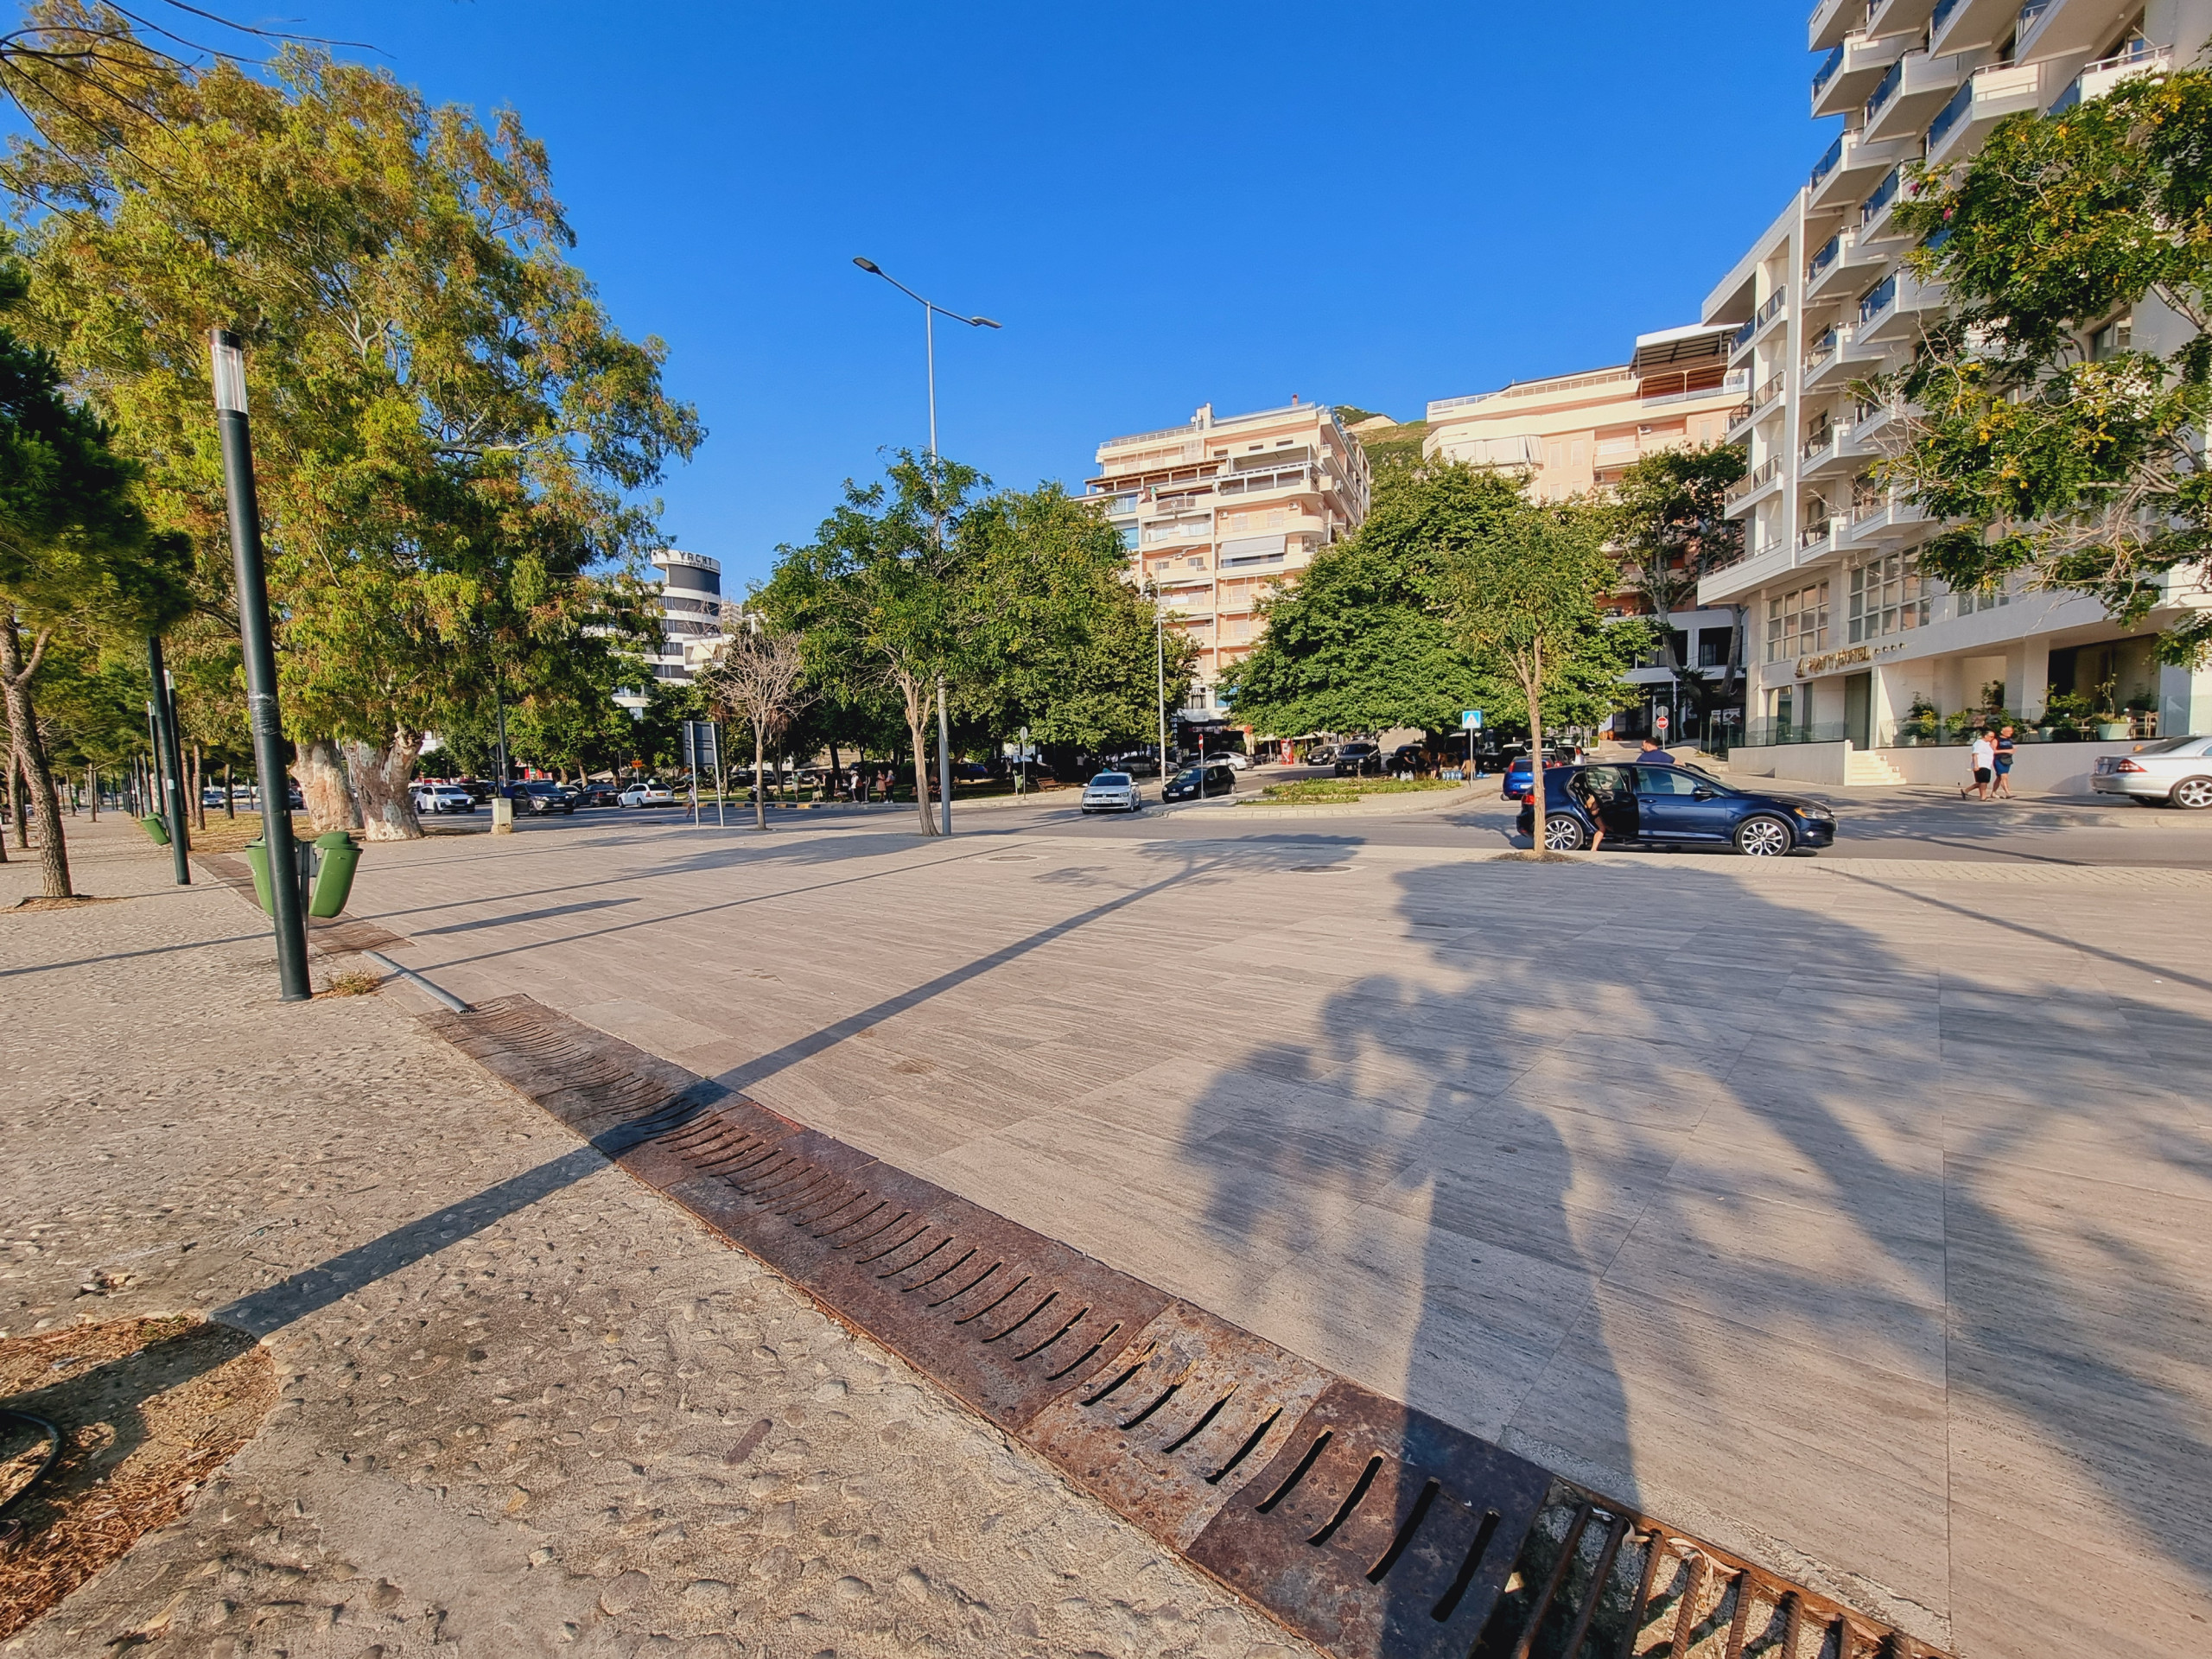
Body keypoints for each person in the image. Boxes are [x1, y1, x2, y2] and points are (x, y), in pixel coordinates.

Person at [1962, 729, 1995, 801]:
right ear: (1985, 736)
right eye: (1991, 737)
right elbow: (1975, 754)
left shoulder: (1987, 744)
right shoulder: (1979, 743)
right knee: (1983, 781)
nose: (1992, 738)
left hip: (1987, 764)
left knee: (1982, 781)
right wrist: (1976, 765)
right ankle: (1983, 797)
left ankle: (1966, 791)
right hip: (1981, 764)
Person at [1992, 726, 2017, 799]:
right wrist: (2007, 751)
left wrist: (2012, 750)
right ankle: (2008, 793)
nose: (2010, 733)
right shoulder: (1996, 740)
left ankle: (1993, 793)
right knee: (2004, 776)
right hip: (1999, 760)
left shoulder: (2010, 740)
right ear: (2002, 732)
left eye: (2011, 731)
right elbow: (1993, 751)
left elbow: (2011, 749)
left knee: (1999, 778)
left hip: (2007, 760)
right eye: (2008, 731)